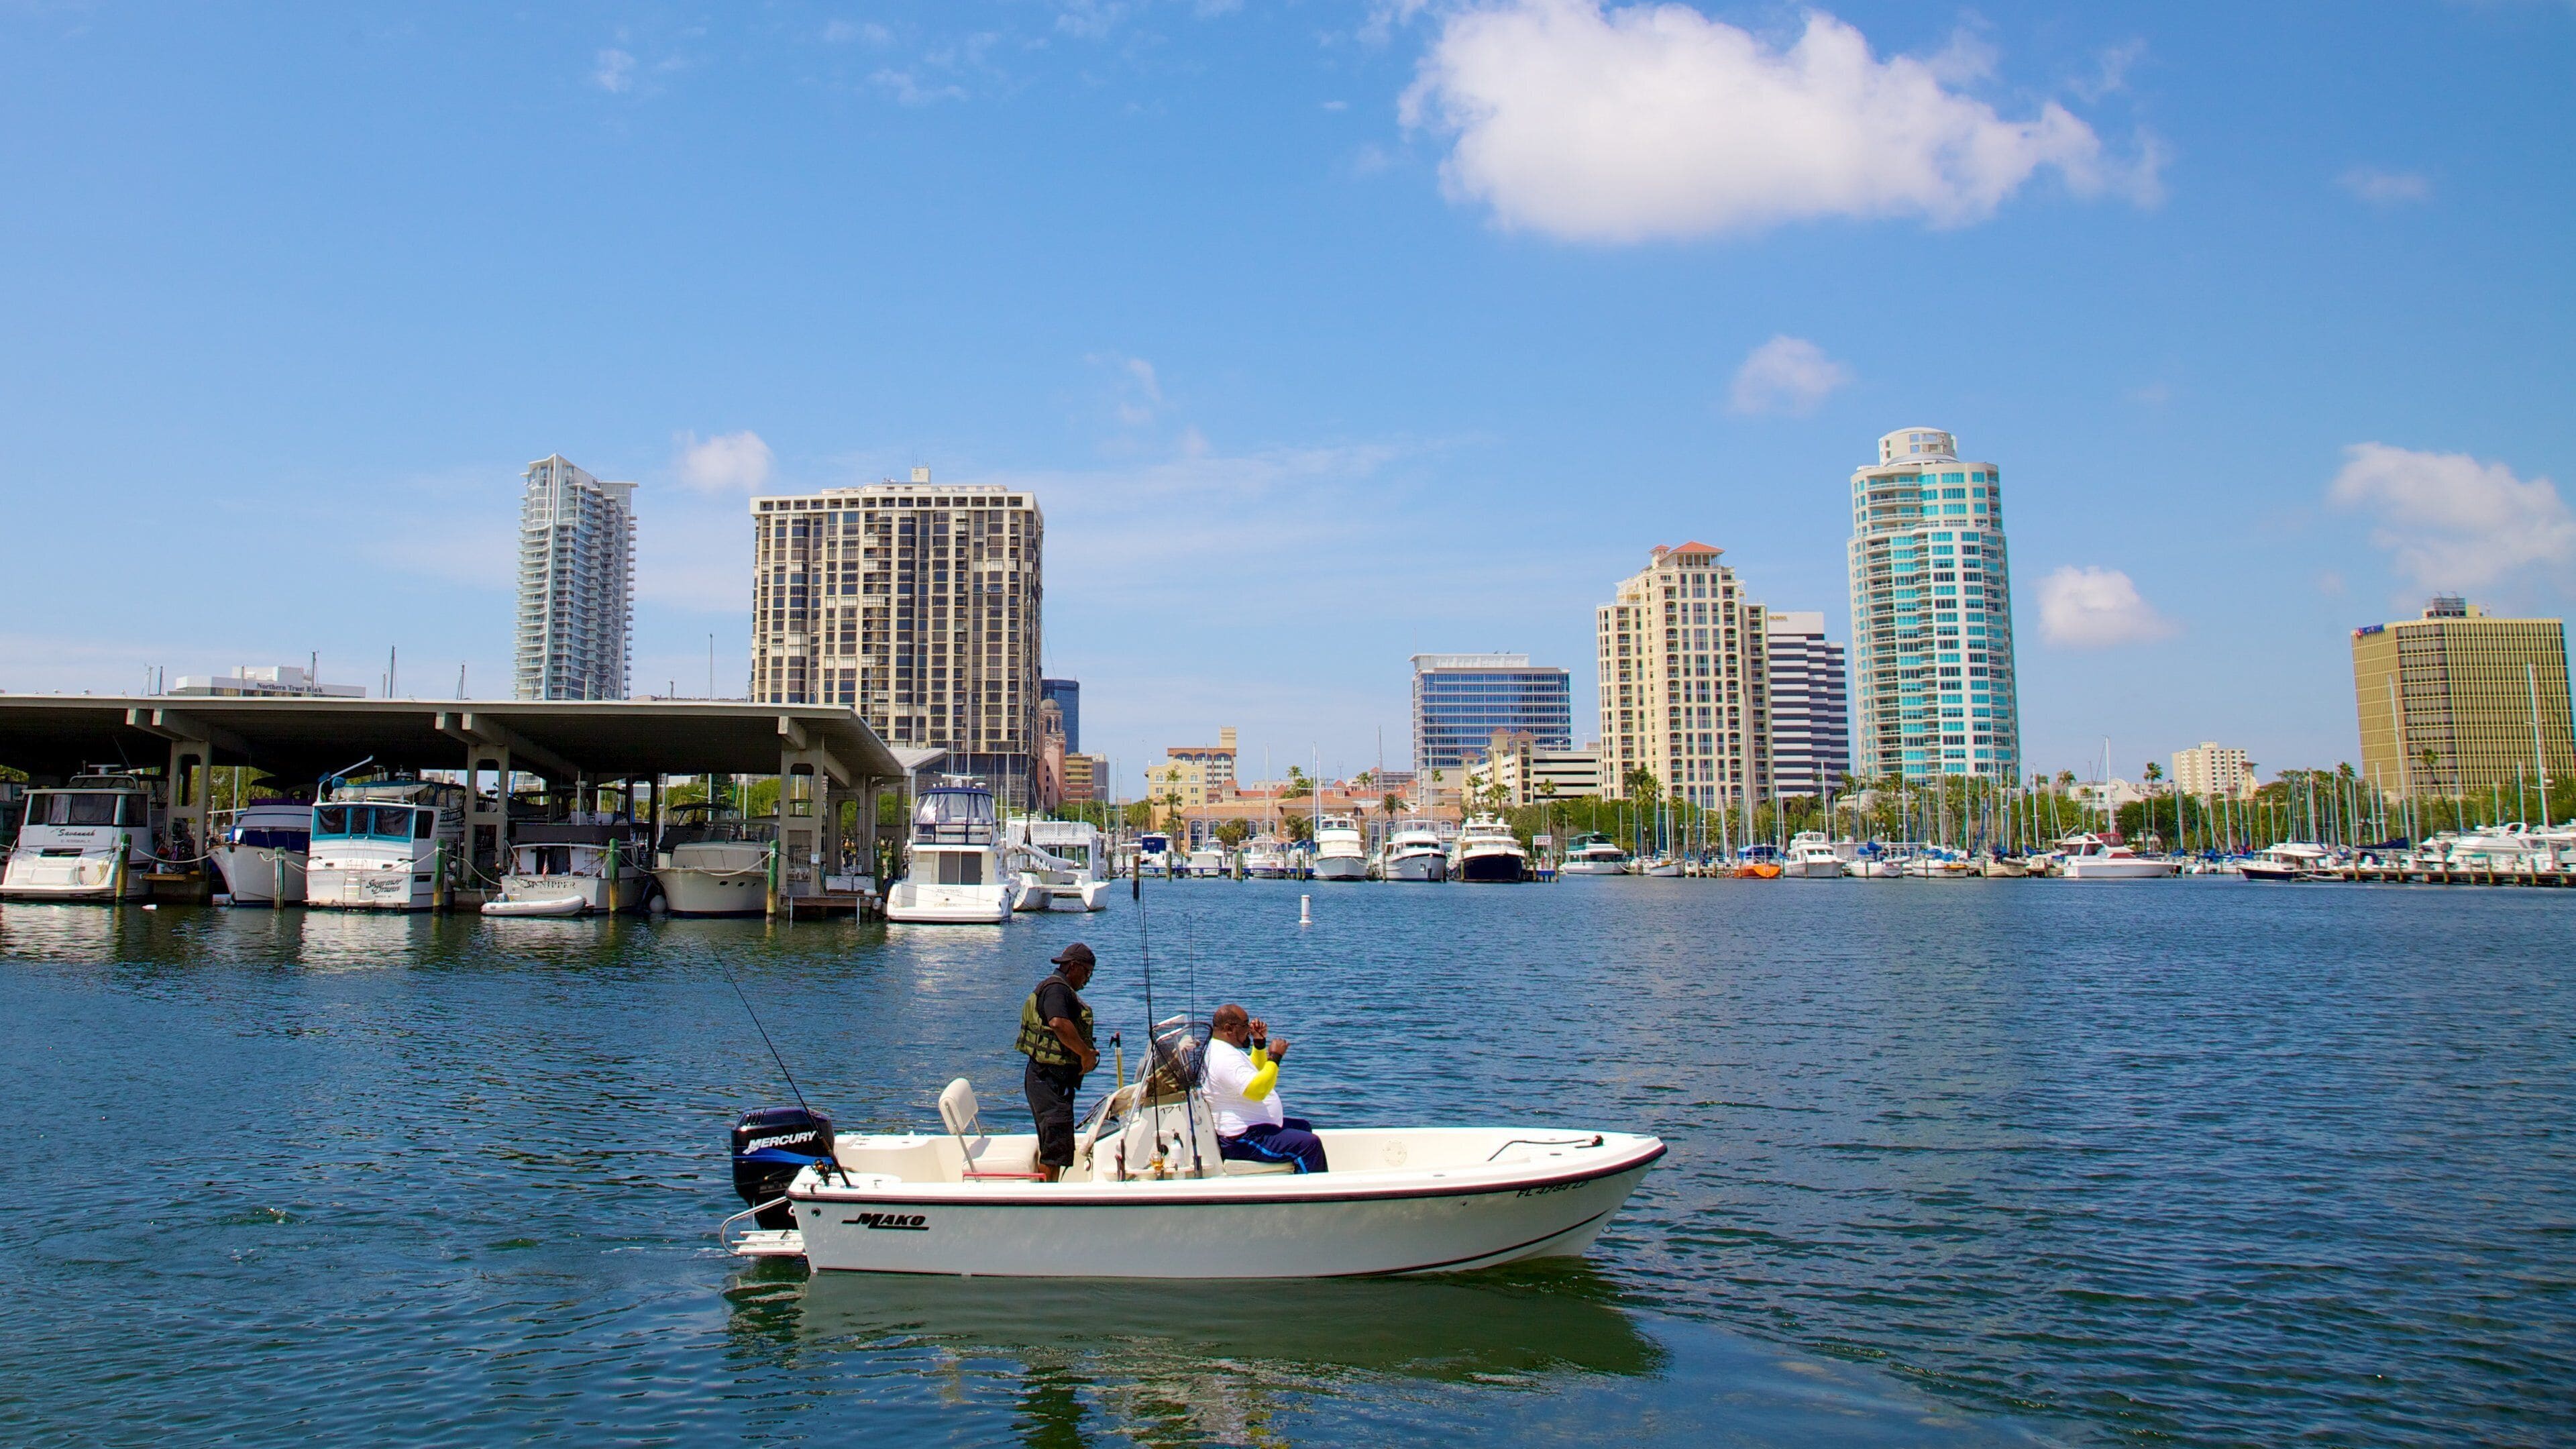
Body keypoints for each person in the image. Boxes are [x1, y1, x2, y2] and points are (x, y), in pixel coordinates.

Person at [1203, 1003, 1327, 1173]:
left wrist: (1259, 1045)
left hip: (1254, 1129)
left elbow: (1254, 1073)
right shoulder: (1224, 1058)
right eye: (1245, 1025)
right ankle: (1312, 1195)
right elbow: (1257, 1091)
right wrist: (1275, 1058)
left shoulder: (1225, 1048)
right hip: (1242, 1139)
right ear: (1229, 1029)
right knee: (1309, 1145)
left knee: (1303, 1127)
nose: (1249, 1029)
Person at [1015, 943, 1099, 1183]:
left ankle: (1049, 1191)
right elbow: (1058, 1023)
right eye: (1086, 973)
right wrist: (1084, 1054)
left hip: (1049, 1081)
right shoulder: (1056, 990)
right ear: (1073, 967)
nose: (1088, 980)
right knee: (1054, 1150)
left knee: (1056, 1146)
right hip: (1047, 1082)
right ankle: (1046, 1198)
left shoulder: (1058, 989)